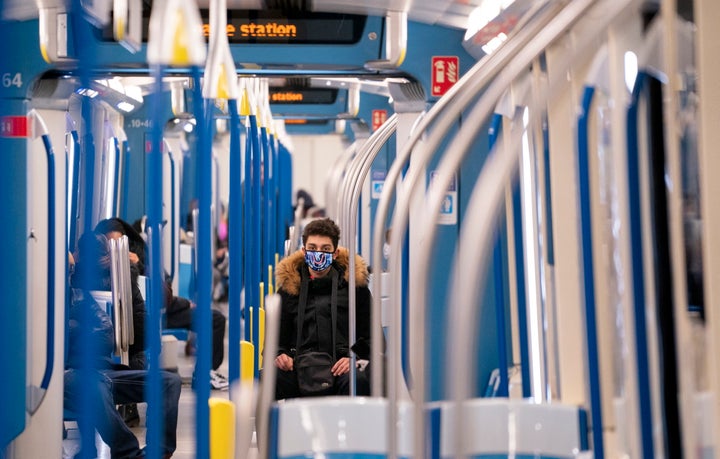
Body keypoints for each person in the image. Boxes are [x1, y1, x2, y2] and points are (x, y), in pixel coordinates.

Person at [65, 232, 181, 459]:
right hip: (73, 373)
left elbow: (105, 335)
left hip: (104, 368)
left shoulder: (79, 295)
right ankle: (129, 454)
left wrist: (75, 330)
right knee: (94, 386)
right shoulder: (49, 302)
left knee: (169, 382)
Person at [96, 217, 229, 390]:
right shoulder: (97, 271)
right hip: (134, 321)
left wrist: (141, 266)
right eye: (109, 247)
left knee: (215, 319)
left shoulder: (142, 256)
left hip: (161, 312)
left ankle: (206, 372)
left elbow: (165, 295)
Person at [273, 218, 375, 399]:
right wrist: (281, 355)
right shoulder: (288, 291)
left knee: (358, 382)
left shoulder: (354, 289)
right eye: (312, 248)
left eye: (325, 249)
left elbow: (371, 337)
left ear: (335, 253)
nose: (318, 254)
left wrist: (354, 357)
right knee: (266, 381)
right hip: (299, 367)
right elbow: (275, 340)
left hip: (341, 368)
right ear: (304, 251)